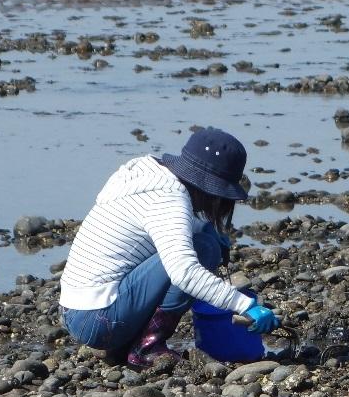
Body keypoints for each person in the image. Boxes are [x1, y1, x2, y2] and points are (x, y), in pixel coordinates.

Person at [59, 127, 279, 367]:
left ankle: (125, 345)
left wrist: (206, 227)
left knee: (205, 236)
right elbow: (183, 271)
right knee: (204, 248)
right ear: (211, 189)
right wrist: (246, 306)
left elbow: (164, 222)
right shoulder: (169, 200)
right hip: (98, 321)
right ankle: (146, 348)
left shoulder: (148, 173)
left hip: (77, 309)